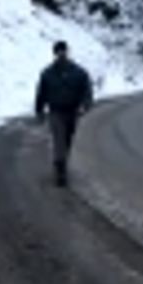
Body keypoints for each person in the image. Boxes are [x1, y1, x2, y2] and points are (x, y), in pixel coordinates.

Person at [34, 40, 94, 186]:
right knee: (58, 139)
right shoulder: (47, 74)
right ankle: (60, 169)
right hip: (55, 111)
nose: (61, 54)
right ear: (55, 54)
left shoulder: (78, 72)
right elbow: (41, 93)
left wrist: (85, 105)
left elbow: (86, 90)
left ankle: (61, 161)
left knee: (67, 139)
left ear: (67, 52)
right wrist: (39, 110)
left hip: (72, 111)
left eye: (63, 51)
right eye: (58, 52)